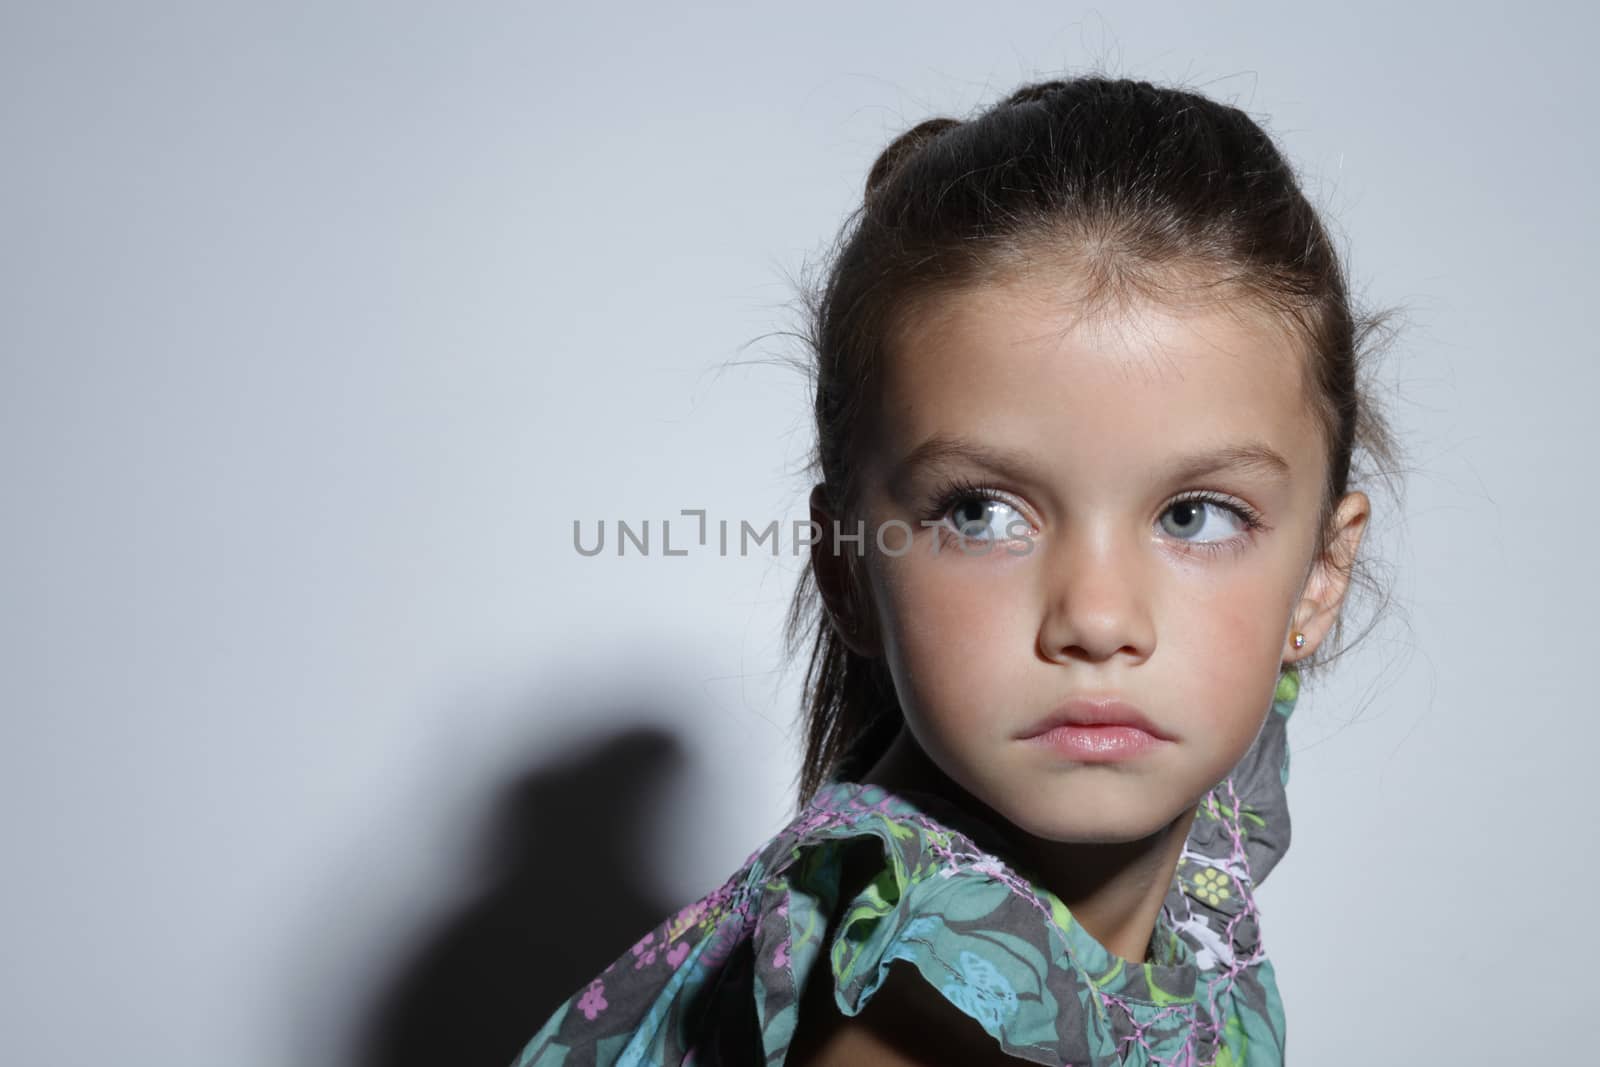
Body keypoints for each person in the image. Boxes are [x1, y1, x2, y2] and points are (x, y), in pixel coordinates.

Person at [511, 73, 1401, 1066]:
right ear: (848, 567)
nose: (1098, 619)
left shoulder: (1204, 821)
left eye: (1194, 515)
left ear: (1319, 576)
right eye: (981, 512)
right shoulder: (899, 1017)